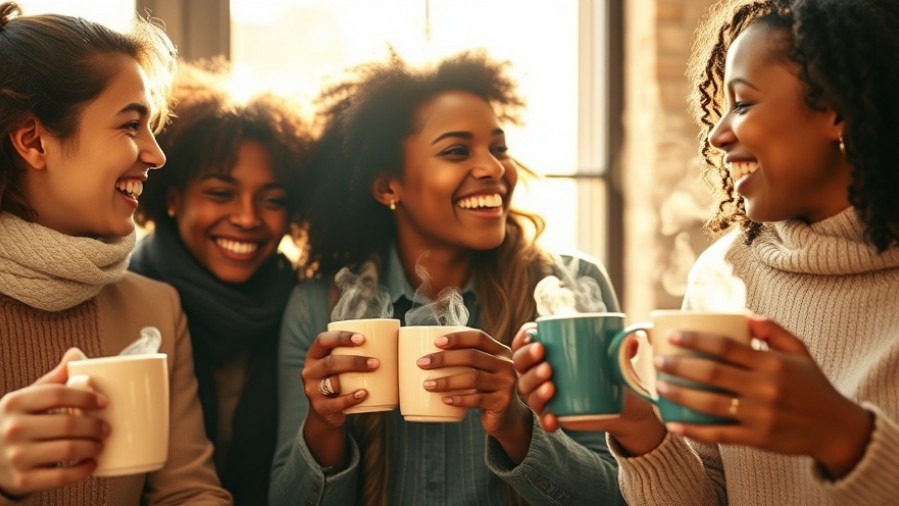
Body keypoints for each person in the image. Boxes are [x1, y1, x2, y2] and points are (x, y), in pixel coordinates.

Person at [513, 0, 899, 504]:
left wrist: (842, 435)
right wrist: (638, 426)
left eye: (743, 103)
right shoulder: (726, 270)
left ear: (837, 110)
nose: (717, 135)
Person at [269, 51, 625, 505]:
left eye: (499, 149)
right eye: (457, 151)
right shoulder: (318, 307)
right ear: (388, 187)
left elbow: (619, 494)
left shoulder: (568, 288)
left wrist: (516, 425)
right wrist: (324, 424)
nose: (494, 168)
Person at [0, 3, 232, 504]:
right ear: (33, 142)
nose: (157, 154)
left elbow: (188, 492)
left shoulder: (155, 308)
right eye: (130, 125)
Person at [130, 60, 313, 505]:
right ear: (173, 197)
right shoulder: (124, 298)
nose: (247, 218)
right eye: (220, 193)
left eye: (272, 200)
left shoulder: (306, 312)